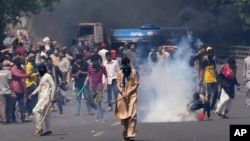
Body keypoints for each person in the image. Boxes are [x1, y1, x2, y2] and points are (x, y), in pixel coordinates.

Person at [115, 57, 139, 141]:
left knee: (132, 115)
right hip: (122, 96)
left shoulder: (134, 72)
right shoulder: (119, 73)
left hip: (132, 95)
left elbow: (136, 84)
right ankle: (125, 134)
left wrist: (128, 92)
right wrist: (122, 92)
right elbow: (118, 84)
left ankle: (131, 134)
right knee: (123, 116)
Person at [28, 63, 56, 136]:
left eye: (39, 69)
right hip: (42, 96)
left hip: (46, 97)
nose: (38, 70)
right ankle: (49, 130)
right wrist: (33, 93)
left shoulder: (48, 76)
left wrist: (52, 96)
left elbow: (53, 85)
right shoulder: (42, 77)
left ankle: (39, 127)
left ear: (42, 69)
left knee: (35, 111)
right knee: (47, 114)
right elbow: (39, 87)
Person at [84, 54, 108, 121]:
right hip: (92, 87)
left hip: (99, 86)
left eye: (95, 61)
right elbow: (88, 75)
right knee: (91, 102)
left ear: (98, 60)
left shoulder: (102, 67)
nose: (94, 62)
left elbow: (106, 76)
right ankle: (100, 110)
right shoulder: (90, 67)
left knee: (98, 101)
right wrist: (86, 81)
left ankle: (98, 116)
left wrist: (105, 85)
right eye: (93, 61)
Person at [199, 46, 218, 120]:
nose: (211, 53)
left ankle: (212, 106)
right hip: (207, 81)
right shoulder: (204, 60)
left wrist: (217, 78)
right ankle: (207, 114)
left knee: (216, 92)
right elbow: (201, 70)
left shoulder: (213, 60)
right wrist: (201, 80)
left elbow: (215, 70)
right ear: (207, 53)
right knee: (208, 97)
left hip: (214, 80)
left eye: (212, 52)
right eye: (210, 52)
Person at [25, 53, 39, 117]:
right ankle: (31, 111)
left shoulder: (34, 65)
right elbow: (28, 75)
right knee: (33, 98)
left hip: (34, 82)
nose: (33, 58)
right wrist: (36, 74)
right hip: (30, 83)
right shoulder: (29, 65)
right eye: (32, 57)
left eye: (34, 57)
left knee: (33, 98)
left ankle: (30, 111)